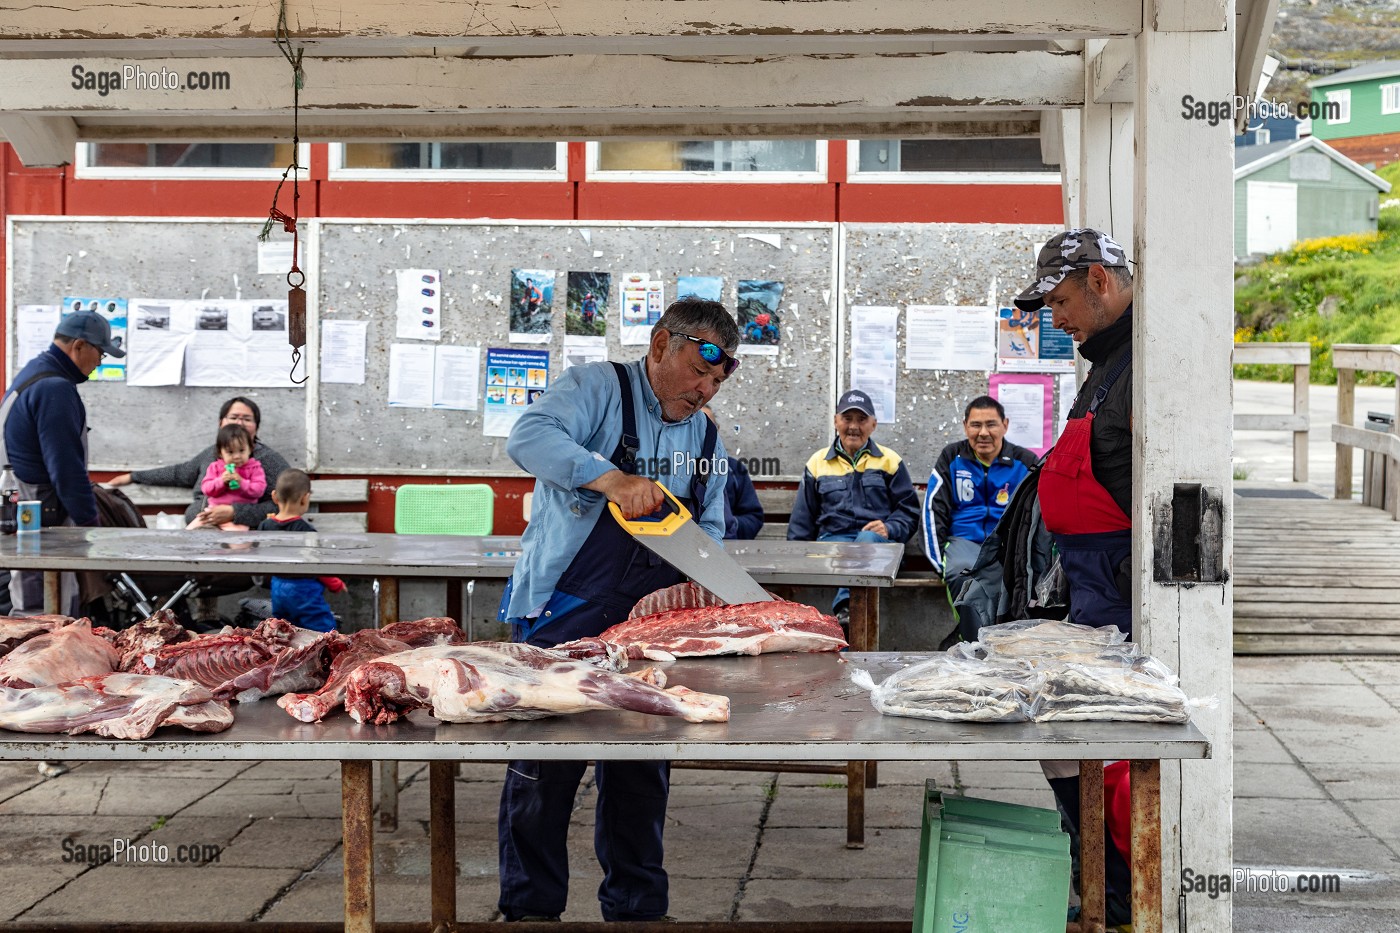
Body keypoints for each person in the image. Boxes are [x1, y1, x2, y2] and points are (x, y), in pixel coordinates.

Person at [497, 296, 738, 924]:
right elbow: (528, 436)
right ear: (661, 344)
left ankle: (636, 910)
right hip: (565, 611)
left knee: (640, 768)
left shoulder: (706, 436)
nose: (705, 390)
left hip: (647, 627)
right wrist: (609, 479)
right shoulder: (596, 387)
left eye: (716, 381)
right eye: (698, 371)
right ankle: (529, 910)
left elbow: (708, 525)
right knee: (544, 767)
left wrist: (703, 583)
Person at [1014, 227, 1136, 928]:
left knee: (1097, 740)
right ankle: (1095, 874)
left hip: (1120, 584)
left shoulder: (1141, 363)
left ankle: (1116, 890)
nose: (1055, 320)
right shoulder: (1103, 362)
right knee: (1064, 737)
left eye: (1059, 301)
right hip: (1089, 582)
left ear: (1098, 279)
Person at [0, 310, 124, 614]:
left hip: (23, 511)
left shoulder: (33, 372)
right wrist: (90, 527)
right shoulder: (54, 388)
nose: (99, 363)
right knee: (45, 617)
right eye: (100, 354)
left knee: (31, 609)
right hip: (41, 517)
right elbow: (66, 468)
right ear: (79, 346)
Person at [787, 389, 920, 623]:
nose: (854, 427)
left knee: (866, 541)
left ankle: (846, 611)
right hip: (832, 547)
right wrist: (793, 564)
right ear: (836, 421)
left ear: (874, 424)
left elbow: (908, 512)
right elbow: (803, 517)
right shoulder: (817, 463)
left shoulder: (890, 461)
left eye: (862, 419)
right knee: (847, 549)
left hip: (878, 547)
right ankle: (851, 623)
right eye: (847, 419)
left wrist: (890, 528)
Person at [108, 396, 290, 529]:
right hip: (201, 533)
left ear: (256, 427)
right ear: (221, 423)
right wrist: (134, 476)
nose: (239, 423)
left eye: (247, 419)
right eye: (233, 417)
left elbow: (287, 502)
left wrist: (236, 512)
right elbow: (179, 473)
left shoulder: (267, 460)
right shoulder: (211, 455)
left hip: (242, 536)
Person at [923, 395, 1037, 586]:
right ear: (965, 426)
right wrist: (939, 563)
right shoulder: (952, 457)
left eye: (991, 424)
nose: (983, 433)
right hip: (962, 542)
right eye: (976, 425)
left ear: (1005, 425)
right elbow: (933, 511)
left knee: (1015, 580)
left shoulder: (1025, 462)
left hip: (1009, 546)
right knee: (963, 574)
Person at [257, 469, 345, 632]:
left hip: (277, 587)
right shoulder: (306, 530)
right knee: (320, 628)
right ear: (305, 498)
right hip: (304, 589)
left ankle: (286, 656)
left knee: (284, 630)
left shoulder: (266, 525)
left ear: (275, 496)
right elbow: (317, 564)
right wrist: (335, 583)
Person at [702, 406, 764, 539]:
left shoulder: (734, 469)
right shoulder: (673, 468)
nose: (702, 432)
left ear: (717, 430)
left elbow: (754, 517)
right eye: (694, 427)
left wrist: (730, 524)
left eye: (708, 427)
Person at [196, 423, 267, 528]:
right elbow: (206, 489)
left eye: (241, 450)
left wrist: (242, 482)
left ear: (250, 449)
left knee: (236, 541)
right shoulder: (215, 467)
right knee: (192, 531)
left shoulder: (254, 468)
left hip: (239, 517)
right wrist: (221, 481)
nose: (237, 456)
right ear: (220, 453)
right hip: (214, 512)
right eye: (230, 452)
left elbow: (259, 490)